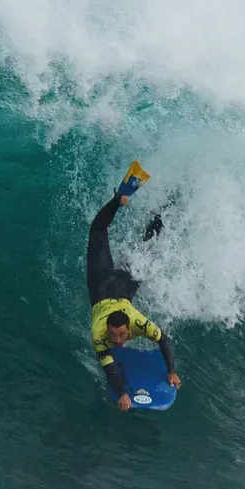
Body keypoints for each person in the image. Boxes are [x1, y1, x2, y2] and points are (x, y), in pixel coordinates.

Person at [86, 173, 179, 410]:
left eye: (121, 335)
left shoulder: (139, 322)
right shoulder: (99, 334)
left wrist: (171, 371)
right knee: (98, 230)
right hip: (102, 286)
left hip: (115, 288)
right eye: (114, 335)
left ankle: (165, 209)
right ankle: (118, 199)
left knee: (147, 247)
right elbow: (109, 370)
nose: (117, 340)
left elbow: (163, 339)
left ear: (129, 327)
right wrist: (122, 394)